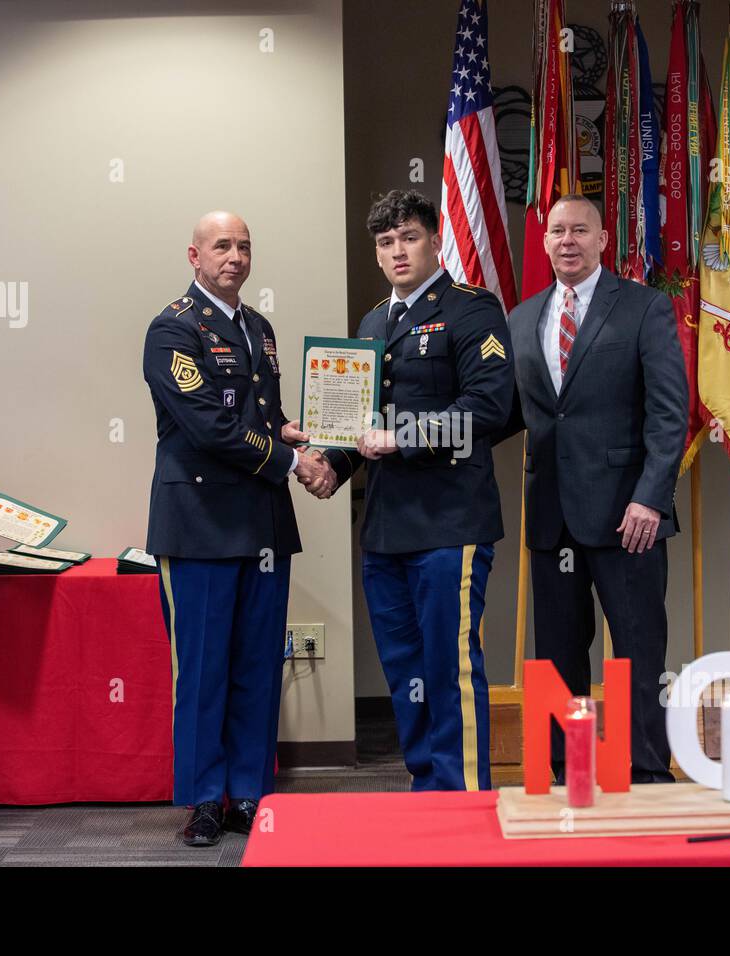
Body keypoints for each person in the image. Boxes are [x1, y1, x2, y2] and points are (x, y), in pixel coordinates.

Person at [311, 189, 514, 791]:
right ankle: (427, 784)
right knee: (404, 668)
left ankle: (462, 795)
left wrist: (400, 437)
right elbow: (359, 420)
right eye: (385, 242)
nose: (397, 251)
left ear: (435, 240)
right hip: (386, 526)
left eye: (409, 237)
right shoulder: (375, 321)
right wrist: (333, 463)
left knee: (447, 667)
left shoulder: (473, 310)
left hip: (450, 522)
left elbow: (488, 407)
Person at [143, 210, 334, 845]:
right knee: (201, 670)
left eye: (244, 246)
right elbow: (208, 426)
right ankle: (203, 800)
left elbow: (261, 413)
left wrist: (296, 434)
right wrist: (289, 459)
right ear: (193, 256)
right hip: (198, 523)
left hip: (262, 522)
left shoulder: (259, 328)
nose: (235, 256)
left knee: (257, 662)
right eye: (221, 246)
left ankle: (250, 793)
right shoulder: (172, 329)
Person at [502, 194, 688, 784]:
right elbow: (505, 413)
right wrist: (409, 430)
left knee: (637, 652)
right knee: (557, 657)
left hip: (627, 515)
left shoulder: (643, 308)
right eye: (557, 231)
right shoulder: (521, 317)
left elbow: (669, 415)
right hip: (552, 513)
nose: (567, 241)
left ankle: (648, 773)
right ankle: (566, 773)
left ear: (604, 239)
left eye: (580, 230)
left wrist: (651, 497)